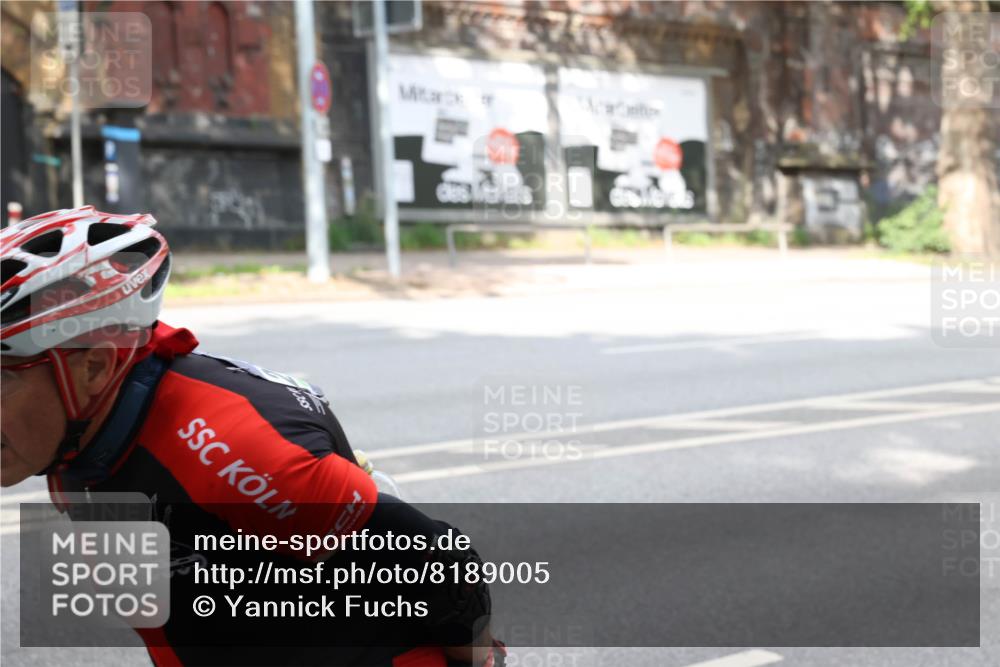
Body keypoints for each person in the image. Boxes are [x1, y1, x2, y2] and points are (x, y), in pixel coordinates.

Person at [0, 206, 506, 667]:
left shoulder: (230, 452)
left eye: (2, 376)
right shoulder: (83, 439)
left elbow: (438, 562)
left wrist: (483, 661)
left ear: (94, 366)